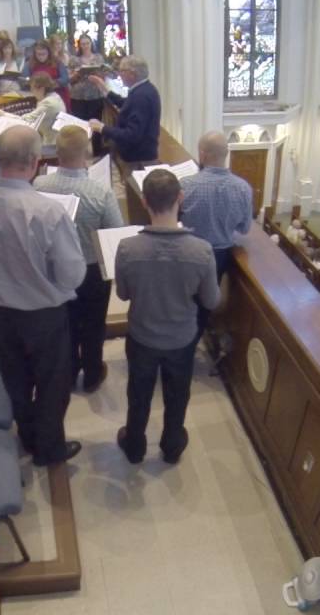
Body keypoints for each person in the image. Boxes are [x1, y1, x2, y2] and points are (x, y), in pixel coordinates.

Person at [0, 125, 86, 467]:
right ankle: (49, 449)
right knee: (52, 384)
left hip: (1, 310)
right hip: (43, 315)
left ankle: (28, 434)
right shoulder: (47, 211)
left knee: (15, 378)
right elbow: (72, 272)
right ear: (34, 161)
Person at [115, 169, 220, 465]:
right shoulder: (201, 250)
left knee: (138, 394)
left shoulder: (127, 247)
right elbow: (211, 300)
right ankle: (172, 445)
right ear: (181, 199)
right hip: (181, 339)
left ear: (145, 202)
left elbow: (122, 294)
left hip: (141, 336)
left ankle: (134, 446)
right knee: (177, 395)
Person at [35, 125, 124, 393]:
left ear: (57, 154)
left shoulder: (39, 185)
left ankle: (70, 371)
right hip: (92, 269)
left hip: (56, 268)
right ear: (87, 153)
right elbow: (115, 233)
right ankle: (93, 374)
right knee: (94, 324)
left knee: (67, 323)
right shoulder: (100, 192)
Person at [180, 131, 253, 359]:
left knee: (183, 301)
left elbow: (174, 217)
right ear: (227, 154)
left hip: (188, 251)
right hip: (219, 255)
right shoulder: (243, 188)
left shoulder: (186, 185)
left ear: (202, 154)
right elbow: (244, 228)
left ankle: (178, 347)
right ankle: (189, 349)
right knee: (203, 305)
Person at [86, 55, 161, 165]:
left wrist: (102, 128)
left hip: (139, 158)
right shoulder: (144, 88)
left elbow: (132, 135)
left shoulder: (141, 96)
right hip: (139, 155)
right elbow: (125, 103)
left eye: (121, 71)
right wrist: (102, 86)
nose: (119, 74)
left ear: (132, 74)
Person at [68, 34, 106, 124]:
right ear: (79, 45)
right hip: (78, 95)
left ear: (91, 44)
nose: (85, 46)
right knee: (80, 122)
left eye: (87, 43)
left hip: (95, 94)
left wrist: (98, 73)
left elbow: (103, 75)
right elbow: (69, 79)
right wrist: (77, 74)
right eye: (83, 44)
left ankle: (96, 138)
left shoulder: (98, 58)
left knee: (95, 121)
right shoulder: (74, 59)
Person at [22, 38, 70, 108]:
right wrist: (33, 83)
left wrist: (50, 84)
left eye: (44, 54)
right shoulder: (29, 64)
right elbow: (24, 80)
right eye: (38, 54)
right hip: (38, 98)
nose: (41, 57)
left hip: (58, 96)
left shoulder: (57, 62)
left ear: (49, 52)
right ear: (34, 53)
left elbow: (65, 79)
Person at [23, 73, 65, 144]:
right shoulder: (55, 96)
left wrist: (4, 114)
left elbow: (28, 119)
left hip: (52, 144)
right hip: (52, 139)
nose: (31, 91)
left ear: (41, 89)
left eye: (32, 88)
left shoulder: (48, 102)